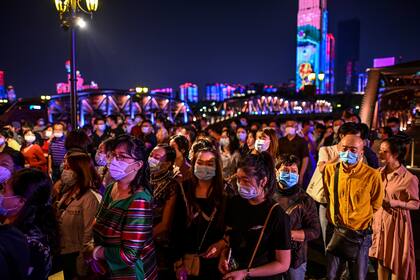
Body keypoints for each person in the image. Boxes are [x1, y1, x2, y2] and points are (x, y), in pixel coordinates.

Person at [92, 135, 157, 279]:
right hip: (108, 269)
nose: (115, 160)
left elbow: (129, 256)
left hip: (130, 274)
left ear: (138, 165)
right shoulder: (111, 188)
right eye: (114, 155)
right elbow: (97, 222)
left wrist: (97, 252)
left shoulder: (139, 200)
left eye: (122, 157)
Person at [219, 152, 291, 279]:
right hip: (234, 273)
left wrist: (246, 273)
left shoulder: (276, 214)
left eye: (246, 180)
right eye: (238, 179)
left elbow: (283, 263)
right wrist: (224, 256)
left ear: (263, 181)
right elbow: (229, 236)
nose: (240, 184)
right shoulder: (235, 202)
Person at [323, 134, 383, 280]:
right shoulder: (330, 170)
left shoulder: (372, 175)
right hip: (337, 230)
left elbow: (376, 203)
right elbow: (328, 195)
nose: (348, 153)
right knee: (332, 275)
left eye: (353, 150)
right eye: (344, 148)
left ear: (361, 152)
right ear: (339, 149)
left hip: (360, 234)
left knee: (358, 275)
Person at [369, 137, 419, 280]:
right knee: (381, 261)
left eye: (385, 152)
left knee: (397, 263)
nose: (380, 154)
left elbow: (415, 203)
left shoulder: (409, 178)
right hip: (380, 222)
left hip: (397, 224)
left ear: (396, 154)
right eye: (380, 150)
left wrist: (395, 203)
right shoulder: (378, 173)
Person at [174, 146, 226, 280]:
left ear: (217, 166)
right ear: (193, 164)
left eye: (209, 164)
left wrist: (223, 244)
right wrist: (178, 263)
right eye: (200, 162)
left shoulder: (225, 193)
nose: (204, 167)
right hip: (185, 262)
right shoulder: (183, 189)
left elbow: (231, 228)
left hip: (214, 264)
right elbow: (176, 226)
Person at [307, 122, 361, 248]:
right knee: (329, 237)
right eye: (352, 137)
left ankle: (343, 266)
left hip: (347, 201)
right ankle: (331, 265)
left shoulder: (357, 153)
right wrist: (342, 154)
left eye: (358, 138)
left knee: (345, 238)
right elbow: (322, 168)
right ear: (342, 136)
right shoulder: (326, 150)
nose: (355, 141)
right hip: (327, 200)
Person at [2, 168, 59, 280]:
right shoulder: (27, 224)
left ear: (21, 201)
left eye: (4, 191)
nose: (1, 195)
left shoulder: (27, 241)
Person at [54, 152, 102, 279]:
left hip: (74, 256)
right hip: (61, 252)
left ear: (80, 170)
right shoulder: (68, 192)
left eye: (68, 168)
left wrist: (82, 266)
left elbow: (89, 234)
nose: (64, 171)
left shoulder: (90, 198)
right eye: (64, 167)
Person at [273, 154, 320, 280]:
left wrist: (289, 234)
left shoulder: (305, 200)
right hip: (270, 256)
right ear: (276, 172)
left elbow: (315, 231)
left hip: (295, 258)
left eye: (294, 171)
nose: (289, 174)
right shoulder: (268, 196)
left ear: (298, 175)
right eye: (285, 170)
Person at [148, 144, 180, 278]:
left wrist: (142, 240)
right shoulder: (143, 178)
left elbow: (165, 224)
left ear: (167, 164)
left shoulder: (171, 185)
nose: (151, 159)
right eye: (151, 155)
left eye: (156, 157)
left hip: (158, 245)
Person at [278, 119, 309, 186]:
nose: (289, 127)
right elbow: (277, 157)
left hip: (296, 171)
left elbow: (305, 159)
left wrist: (301, 175)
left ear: (296, 127)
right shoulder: (281, 141)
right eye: (287, 126)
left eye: (291, 125)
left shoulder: (302, 141)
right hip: (283, 171)